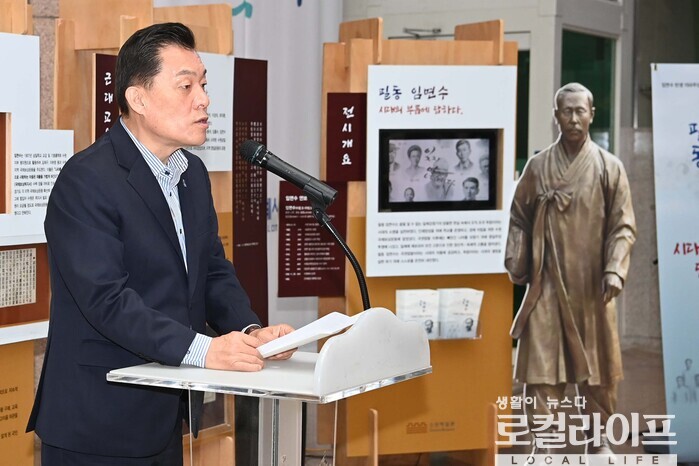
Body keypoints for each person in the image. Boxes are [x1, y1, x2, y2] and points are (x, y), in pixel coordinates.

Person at [27, 23, 295, 465]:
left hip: (166, 412)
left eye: (204, 85)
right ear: (138, 98)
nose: (203, 99)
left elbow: (211, 272)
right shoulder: (87, 180)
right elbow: (106, 300)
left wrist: (250, 334)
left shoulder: (192, 174)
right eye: (186, 86)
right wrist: (207, 350)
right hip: (98, 422)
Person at [504, 83, 636, 456]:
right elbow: (519, 218)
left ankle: (599, 441)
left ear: (592, 114)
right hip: (546, 285)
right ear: (556, 116)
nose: (574, 119)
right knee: (542, 371)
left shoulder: (609, 167)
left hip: (592, 287)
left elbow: (623, 226)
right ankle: (544, 444)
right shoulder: (538, 167)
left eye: (580, 111)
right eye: (567, 111)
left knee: (598, 372)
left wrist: (614, 269)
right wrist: (517, 258)